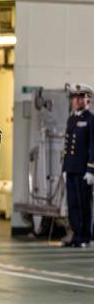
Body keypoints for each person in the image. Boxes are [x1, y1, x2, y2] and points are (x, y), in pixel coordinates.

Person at [61, 83, 94, 247]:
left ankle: (86, 236)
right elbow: (67, 146)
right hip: (71, 169)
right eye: (74, 97)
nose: (76, 101)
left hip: (83, 170)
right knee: (72, 204)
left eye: (79, 97)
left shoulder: (90, 120)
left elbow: (92, 147)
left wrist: (91, 169)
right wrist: (64, 168)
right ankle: (76, 234)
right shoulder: (71, 119)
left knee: (84, 204)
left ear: (85, 100)